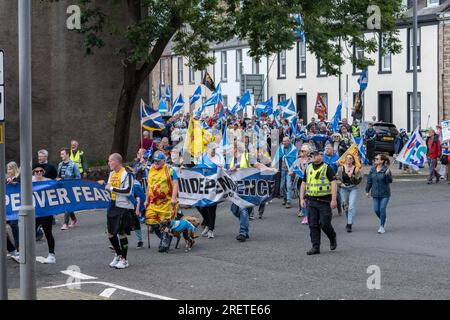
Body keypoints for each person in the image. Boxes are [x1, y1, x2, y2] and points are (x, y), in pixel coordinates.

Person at [300, 150, 337, 255]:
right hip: (311, 201)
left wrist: (333, 200)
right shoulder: (308, 168)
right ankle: (315, 247)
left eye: (316, 155)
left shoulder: (327, 168)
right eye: (312, 155)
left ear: (321, 156)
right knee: (313, 225)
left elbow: (333, 184)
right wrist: (301, 199)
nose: (314, 157)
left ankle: (332, 236)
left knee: (325, 224)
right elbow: (303, 183)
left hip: (324, 201)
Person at [103, 153, 134, 269]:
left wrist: (111, 188)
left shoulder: (127, 174)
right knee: (110, 233)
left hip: (123, 207)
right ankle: (118, 254)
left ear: (116, 162)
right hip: (112, 205)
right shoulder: (111, 173)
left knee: (121, 233)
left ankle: (124, 260)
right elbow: (108, 187)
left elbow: (128, 191)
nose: (108, 163)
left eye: (110, 161)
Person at [145, 151, 179, 247]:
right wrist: (146, 199)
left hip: (166, 202)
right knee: (152, 222)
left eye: (158, 161)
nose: (156, 163)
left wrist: (174, 198)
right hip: (153, 203)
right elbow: (149, 186)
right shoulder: (151, 169)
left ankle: (165, 241)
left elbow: (176, 183)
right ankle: (165, 238)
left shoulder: (170, 169)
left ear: (164, 160)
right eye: (155, 161)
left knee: (165, 223)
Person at [32, 163, 56, 263]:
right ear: (33, 172)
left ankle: (51, 255)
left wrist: (58, 182)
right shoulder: (29, 182)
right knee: (30, 233)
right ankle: (27, 254)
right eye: (36, 171)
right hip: (34, 212)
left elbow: (58, 189)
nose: (39, 173)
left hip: (46, 211)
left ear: (43, 172)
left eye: (41, 171)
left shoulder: (48, 181)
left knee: (48, 232)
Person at [365, 154, 392, 234]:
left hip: (385, 193)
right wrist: (367, 191)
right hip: (375, 193)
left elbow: (389, 181)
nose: (375, 160)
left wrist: (387, 175)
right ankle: (383, 219)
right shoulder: (372, 169)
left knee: (382, 209)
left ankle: (382, 226)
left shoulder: (386, 169)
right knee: (376, 210)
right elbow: (369, 180)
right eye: (375, 158)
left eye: (377, 159)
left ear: (382, 161)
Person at [336, 154, 362, 233]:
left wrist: (352, 176)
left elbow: (358, 181)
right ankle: (348, 221)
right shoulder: (341, 168)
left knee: (351, 206)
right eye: (347, 158)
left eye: (350, 158)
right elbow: (337, 178)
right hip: (344, 188)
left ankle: (349, 224)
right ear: (345, 160)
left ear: (353, 160)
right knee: (345, 207)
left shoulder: (356, 169)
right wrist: (340, 184)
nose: (348, 160)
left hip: (353, 188)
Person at [57, 148, 81, 230]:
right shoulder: (60, 164)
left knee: (67, 204)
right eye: (61, 154)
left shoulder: (73, 164)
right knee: (68, 204)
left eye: (62, 154)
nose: (61, 156)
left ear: (67, 154)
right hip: (62, 187)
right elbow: (58, 176)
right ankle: (74, 219)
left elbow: (78, 177)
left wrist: (75, 186)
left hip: (71, 187)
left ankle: (65, 224)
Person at [274, 136, 297, 209]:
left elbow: (295, 159)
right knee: (281, 186)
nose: (284, 143)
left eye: (285, 141)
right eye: (283, 141)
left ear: (289, 141)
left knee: (289, 185)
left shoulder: (293, 149)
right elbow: (276, 157)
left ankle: (288, 201)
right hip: (283, 169)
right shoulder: (281, 148)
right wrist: (273, 165)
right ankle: (285, 197)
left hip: (290, 169)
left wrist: (294, 169)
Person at [291, 144, 310, 223]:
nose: (301, 152)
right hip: (299, 181)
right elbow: (291, 169)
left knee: (307, 197)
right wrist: (291, 172)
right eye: (301, 151)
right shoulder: (297, 160)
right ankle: (303, 211)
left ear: (307, 152)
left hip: (308, 181)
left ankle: (308, 212)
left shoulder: (311, 160)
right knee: (301, 196)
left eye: (303, 151)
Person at [6, 162, 20, 262]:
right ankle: (13, 250)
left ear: (15, 169)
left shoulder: (18, 178)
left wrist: (15, 183)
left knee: (14, 226)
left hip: (15, 209)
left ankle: (18, 249)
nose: (9, 171)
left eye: (10, 169)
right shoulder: (6, 179)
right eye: (8, 169)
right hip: (6, 209)